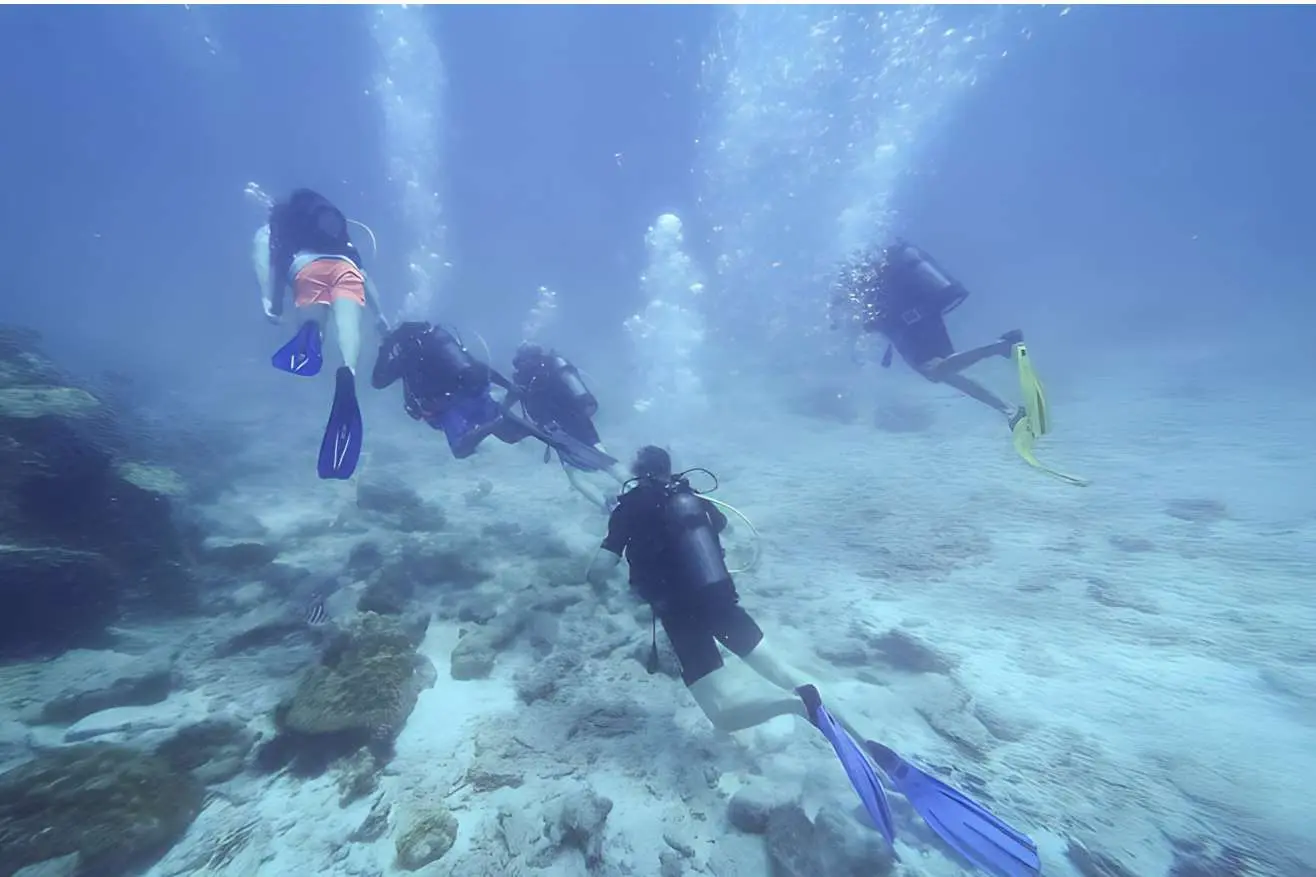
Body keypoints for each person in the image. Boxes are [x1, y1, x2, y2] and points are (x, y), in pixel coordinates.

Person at [585, 445, 827, 733]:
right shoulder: (691, 497)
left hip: (681, 616)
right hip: (720, 599)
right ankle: (842, 717)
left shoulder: (630, 507)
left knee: (721, 715)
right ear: (667, 468)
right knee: (781, 670)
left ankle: (796, 706)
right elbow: (722, 526)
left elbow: (601, 568)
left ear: (637, 471)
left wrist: (593, 581)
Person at [252, 188, 389, 480]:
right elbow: (365, 277)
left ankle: (311, 330)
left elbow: (267, 265)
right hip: (346, 268)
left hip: (306, 267)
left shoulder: (275, 228)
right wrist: (380, 316)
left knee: (313, 318)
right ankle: (348, 371)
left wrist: (271, 304)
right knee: (349, 325)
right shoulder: (340, 236)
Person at [831, 240, 1025, 428]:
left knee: (936, 372)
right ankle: (1009, 409)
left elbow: (871, 320)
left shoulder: (867, 285)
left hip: (912, 328)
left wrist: (854, 327)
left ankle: (1001, 347)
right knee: (947, 372)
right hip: (923, 319)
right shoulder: (879, 278)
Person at [372, 322, 619, 470]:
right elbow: (478, 367)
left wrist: (385, 349)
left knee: (461, 449)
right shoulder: (441, 343)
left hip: (448, 407)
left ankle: (496, 423)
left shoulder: (405, 358)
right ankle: (544, 431)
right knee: (510, 436)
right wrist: (509, 386)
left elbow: (378, 381)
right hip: (477, 393)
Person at [508, 343, 629, 511]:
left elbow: (580, 395)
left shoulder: (550, 368)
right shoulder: (533, 375)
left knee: (601, 461)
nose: (522, 365)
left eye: (525, 360)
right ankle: (615, 503)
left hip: (569, 423)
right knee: (578, 471)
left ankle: (633, 490)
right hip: (558, 430)